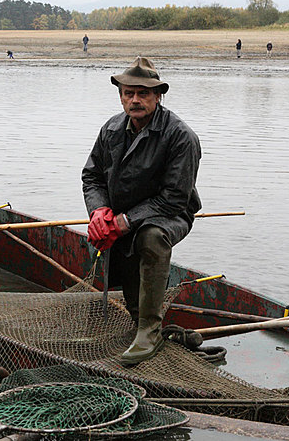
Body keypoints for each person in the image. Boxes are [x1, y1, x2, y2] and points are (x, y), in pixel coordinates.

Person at [82, 57, 202, 365]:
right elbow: (92, 176)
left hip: (170, 213)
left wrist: (125, 221)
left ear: (158, 95)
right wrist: (99, 213)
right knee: (117, 242)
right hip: (121, 210)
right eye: (128, 93)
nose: (135, 100)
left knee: (149, 238)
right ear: (121, 95)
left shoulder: (180, 136)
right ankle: (139, 316)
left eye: (143, 93)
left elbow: (174, 198)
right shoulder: (110, 129)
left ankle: (149, 329)